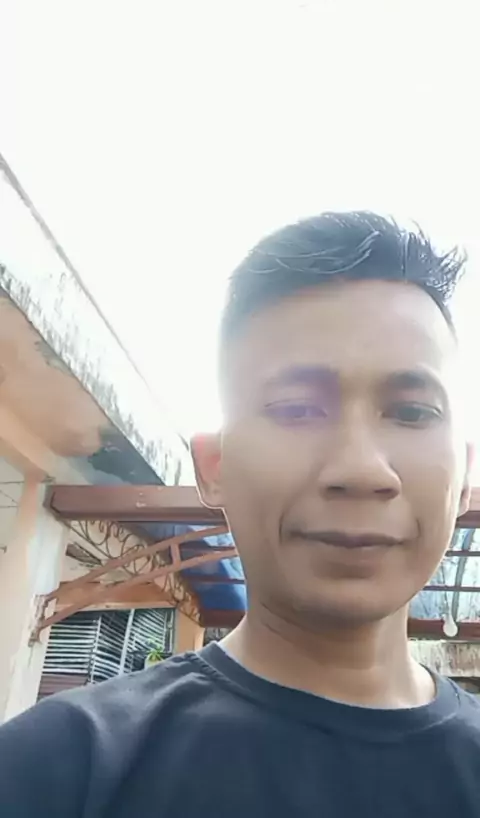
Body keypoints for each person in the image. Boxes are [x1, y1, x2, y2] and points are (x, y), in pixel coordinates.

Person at [1, 211, 479, 817]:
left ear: (465, 476)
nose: (361, 470)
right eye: (296, 409)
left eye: (411, 412)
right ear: (215, 465)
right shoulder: (55, 769)